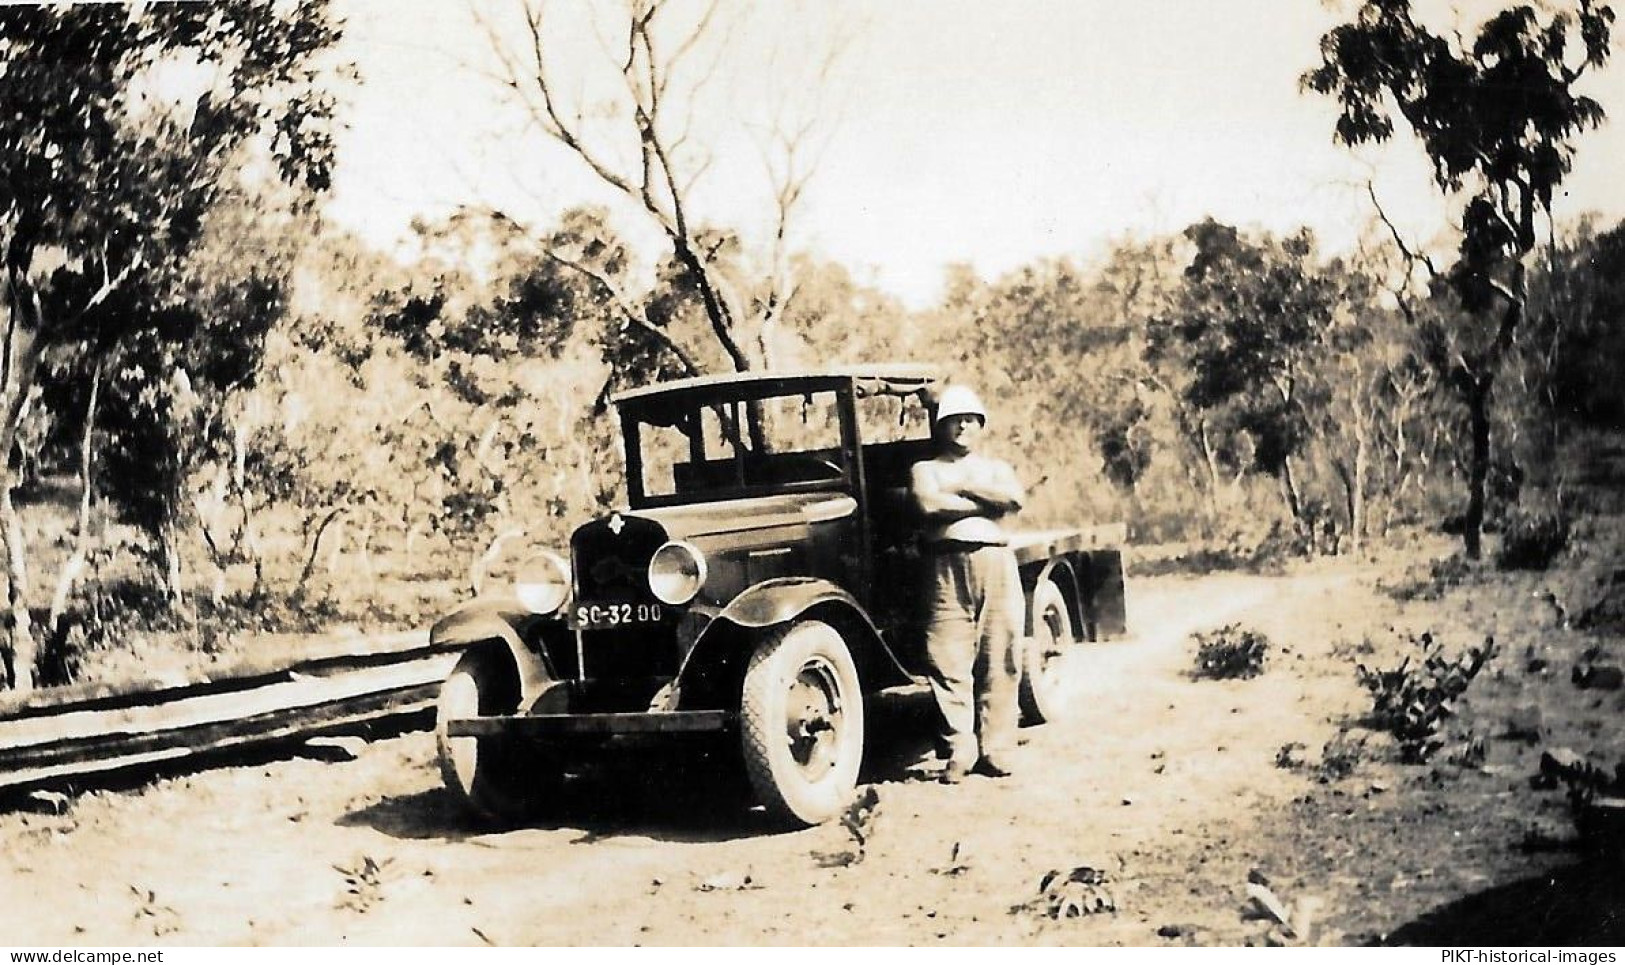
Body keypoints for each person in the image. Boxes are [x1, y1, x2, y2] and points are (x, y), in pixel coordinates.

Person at [909, 384, 1027, 783]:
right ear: (940, 427)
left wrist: (961, 487)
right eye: (952, 421)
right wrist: (985, 505)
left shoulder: (997, 467)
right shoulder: (926, 469)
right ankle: (960, 747)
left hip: (995, 561)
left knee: (1001, 651)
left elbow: (1013, 499)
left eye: (968, 420)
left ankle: (996, 748)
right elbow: (928, 504)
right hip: (943, 566)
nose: (961, 427)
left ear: (980, 425)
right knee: (946, 655)